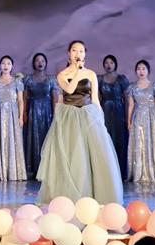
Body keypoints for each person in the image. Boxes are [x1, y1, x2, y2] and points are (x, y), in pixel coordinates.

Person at [36, 40, 123, 204]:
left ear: (85, 54)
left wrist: (100, 119)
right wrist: (78, 72)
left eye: (81, 51)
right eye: (75, 50)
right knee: (71, 156)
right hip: (69, 116)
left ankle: (94, 197)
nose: (78, 53)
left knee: (93, 156)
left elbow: (95, 99)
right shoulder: (62, 75)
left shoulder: (91, 74)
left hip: (88, 114)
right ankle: (69, 197)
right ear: (69, 54)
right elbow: (69, 90)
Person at [127, 60, 155, 184]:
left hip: (151, 117)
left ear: (148, 71)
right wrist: (128, 121)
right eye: (138, 69)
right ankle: (139, 173)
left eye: (143, 69)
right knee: (139, 144)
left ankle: (153, 172)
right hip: (138, 118)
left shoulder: (154, 86)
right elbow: (131, 105)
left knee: (152, 143)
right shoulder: (132, 87)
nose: (141, 71)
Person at [0, 55, 27, 181]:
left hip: (13, 114)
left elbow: (20, 100)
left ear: (12, 66)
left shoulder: (17, 82)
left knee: (13, 140)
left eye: (8, 63)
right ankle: (0, 171)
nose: (5, 66)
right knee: (0, 139)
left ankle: (13, 171)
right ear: (0, 66)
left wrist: (20, 117)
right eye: (3, 63)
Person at [23, 52, 61, 179]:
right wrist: (24, 113)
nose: (40, 62)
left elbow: (54, 98)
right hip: (32, 111)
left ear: (46, 63)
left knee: (46, 137)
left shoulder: (51, 79)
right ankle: (32, 168)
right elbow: (25, 97)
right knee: (32, 138)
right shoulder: (28, 79)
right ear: (34, 63)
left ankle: (46, 169)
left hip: (46, 112)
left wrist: (55, 114)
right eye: (37, 60)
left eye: (42, 60)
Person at [99, 54, 130, 179]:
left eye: (111, 62)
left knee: (120, 140)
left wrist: (127, 117)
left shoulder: (121, 79)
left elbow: (126, 99)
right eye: (106, 62)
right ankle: (107, 171)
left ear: (115, 64)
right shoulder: (99, 79)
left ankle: (121, 171)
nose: (109, 65)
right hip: (105, 111)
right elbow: (98, 98)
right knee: (107, 139)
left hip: (119, 111)